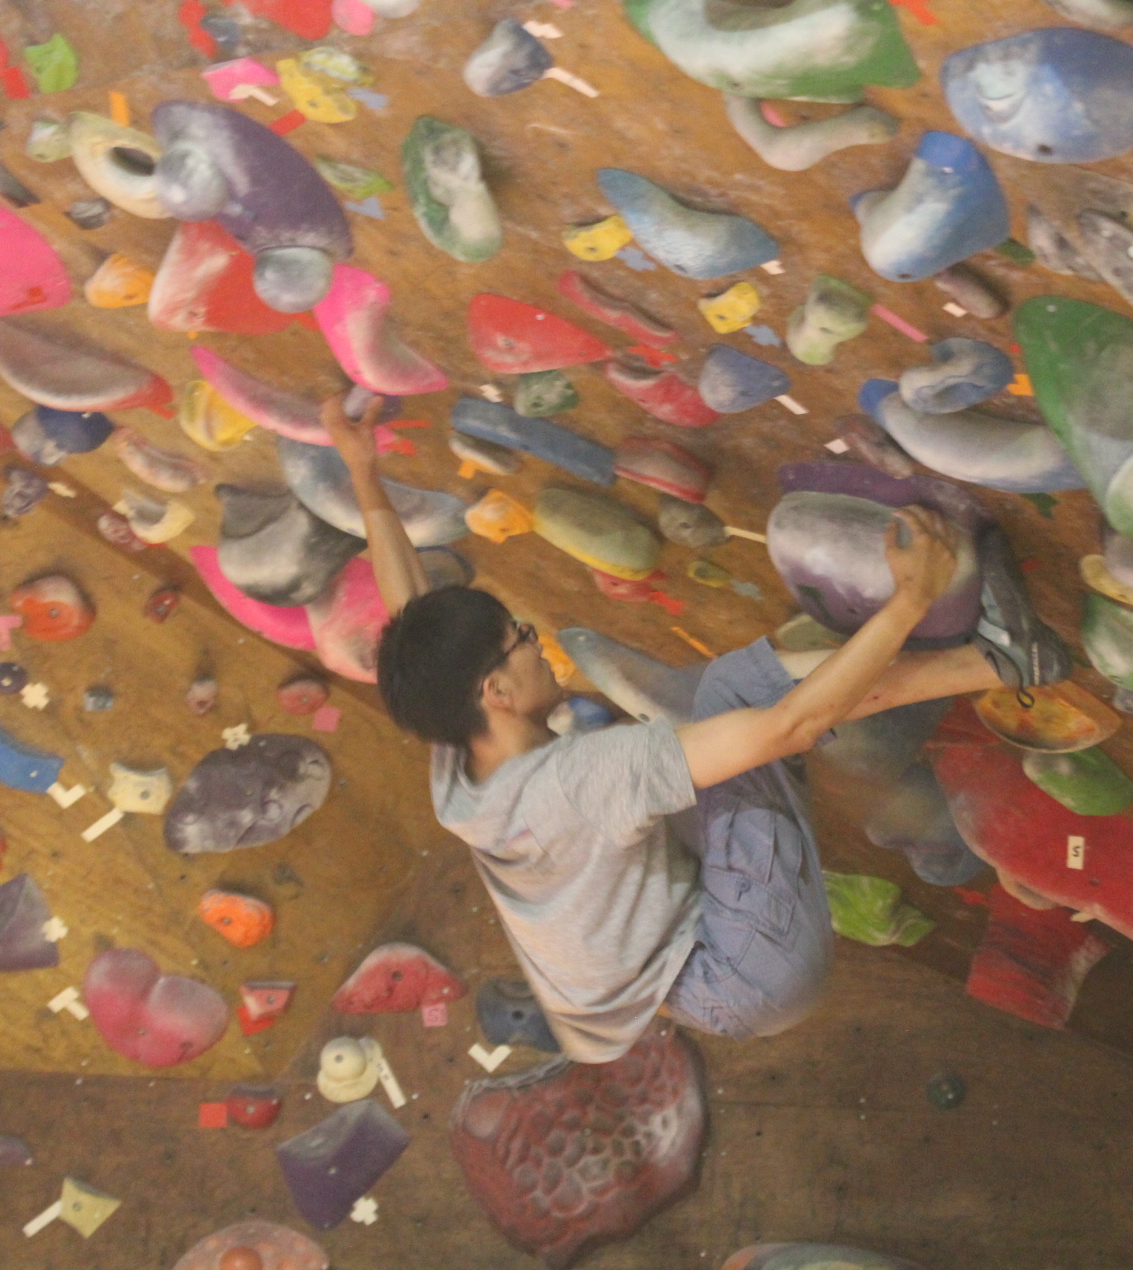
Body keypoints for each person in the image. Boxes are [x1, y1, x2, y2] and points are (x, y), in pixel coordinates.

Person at [325, 394, 1063, 1063]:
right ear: (496, 692)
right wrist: (910, 600)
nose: (535, 640)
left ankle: (975, 660)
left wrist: (363, 470)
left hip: (690, 970)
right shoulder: (583, 780)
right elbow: (788, 725)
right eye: (520, 638)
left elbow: (410, 610)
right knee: (740, 693)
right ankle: (1002, 657)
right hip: (746, 966)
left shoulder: (460, 755)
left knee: (725, 716)